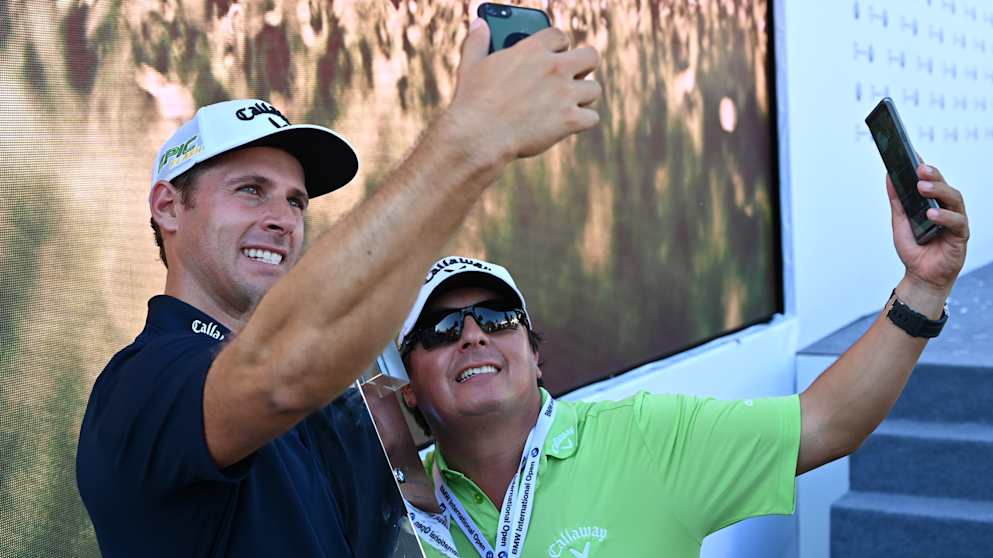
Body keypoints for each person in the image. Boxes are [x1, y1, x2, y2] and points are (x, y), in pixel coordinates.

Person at [76, 17, 601, 558]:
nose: (283, 219)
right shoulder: (140, 387)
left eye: (296, 201)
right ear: (168, 206)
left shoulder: (335, 402)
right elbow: (278, 375)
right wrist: (468, 143)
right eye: (251, 190)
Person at [396, 165, 970, 557]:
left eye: (498, 318)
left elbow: (826, 422)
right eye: (442, 329)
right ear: (409, 387)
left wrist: (923, 286)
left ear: (535, 356)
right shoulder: (393, 510)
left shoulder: (646, 437)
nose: (472, 335)